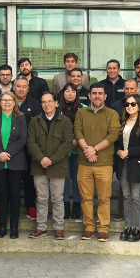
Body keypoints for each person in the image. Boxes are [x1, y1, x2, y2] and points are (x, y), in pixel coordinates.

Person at [74, 83, 121, 242]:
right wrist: (87, 149)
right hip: (84, 162)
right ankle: (88, 228)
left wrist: (94, 149)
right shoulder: (81, 112)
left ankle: (103, 229)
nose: (97, 96)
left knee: (104, 198)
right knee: (86, 198)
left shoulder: (112, 114)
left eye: (100, 93)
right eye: (94, 93)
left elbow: (113, 134)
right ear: (89, 95)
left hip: (104, 163)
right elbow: (77, 131)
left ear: (105, 96)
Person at [26, 92, 74, 240]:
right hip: (39, 165)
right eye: (44, 102)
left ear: (56, 103)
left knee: (58, 198)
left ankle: (59, 228)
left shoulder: (65, 121)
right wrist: (41, 158)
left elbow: (67, 143)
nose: (46, 104)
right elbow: (30, 142)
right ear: (41, 104)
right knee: (41, 197)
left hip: (58, 165)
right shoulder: (35, 121)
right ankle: (41, 227)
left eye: (49, 101)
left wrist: (51, 160)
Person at [0, 91, 28, 238]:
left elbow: (22, 139)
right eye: (4, 100)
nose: (7, 102)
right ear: (0, 102)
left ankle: (14, 228)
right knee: (2, 195)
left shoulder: (21, 118)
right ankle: (2, 227)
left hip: (15, 163)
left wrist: (7, 153)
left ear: (14, 102)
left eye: (10, 100)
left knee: (15, 196)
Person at [114, 95, 140, 243]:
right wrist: (118, 151)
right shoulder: (121, 122)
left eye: (133, 104)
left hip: (137, 164)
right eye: (127, 104)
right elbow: (117, 143)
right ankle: (128, 226)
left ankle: (137, 227)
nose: (129, 106)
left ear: (139, 106)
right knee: (127, 195)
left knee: (136, 197)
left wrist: (128, 152)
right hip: (122, 164)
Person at [12, 76, 41, 220]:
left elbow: (38, 126)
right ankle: (6, 207)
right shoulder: (7, 102)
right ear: (13, 87)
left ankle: (30, 206)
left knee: (30, 179)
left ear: (28, 88)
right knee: (10, 179)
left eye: (24, 86)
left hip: (29, 148)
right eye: (18, 86)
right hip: (11, 148)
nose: (21, 89)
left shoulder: (35, 104)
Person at [59, 83, 83, 220]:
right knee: (64, 180)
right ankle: (65, 207)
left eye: (73, 91)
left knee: (77, 179)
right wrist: (68, 142)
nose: (70, 93)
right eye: (67, 91)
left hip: (78, 150)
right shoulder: (57, 109)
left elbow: (85, 129)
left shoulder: (83, 108)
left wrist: (76, 141)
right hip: (62, 152)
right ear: (62, 93)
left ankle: (77, 207)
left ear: (76, 93)